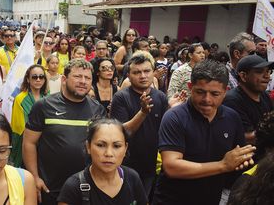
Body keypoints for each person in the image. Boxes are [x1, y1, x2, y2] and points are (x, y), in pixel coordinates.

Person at [153, 60, 256, 205]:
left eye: (215, 94)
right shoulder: (175, 117)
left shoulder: (232, 118)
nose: (207, 99)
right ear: (190, 87)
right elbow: (172, 167)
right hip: (172, 200)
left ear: (225, 92)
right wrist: (223, 165)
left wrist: (242, 160)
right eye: (200, 92)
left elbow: (238, 154)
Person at [23, 59, 107, 205]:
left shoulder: (98, 109)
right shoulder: (43, 106)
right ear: (64, 79)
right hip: (51, 188)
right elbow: (29, 143)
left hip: (86, 187)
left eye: (87, 78)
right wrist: (35, 177)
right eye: (77, 76)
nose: (83, 81)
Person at [110, 54, 170, 196]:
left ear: (153, 72)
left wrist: (173, 110)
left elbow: (163, 131)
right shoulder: (121, 97)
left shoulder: (160, 97)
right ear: (129, 76)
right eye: (137, 72)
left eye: (147, 71)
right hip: (125, 166)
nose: (143, 76)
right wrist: (143, 112)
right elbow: (121, 132)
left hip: (149, 166)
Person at [57, 118, 147, 205]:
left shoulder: (133, 178)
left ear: (125, 148)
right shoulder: (73, 188)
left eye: (116, 146)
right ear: (88, 146)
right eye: (100, 145)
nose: (109, 153)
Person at [223, 55, 274, 144]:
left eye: (268, 71)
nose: (267, 76)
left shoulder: (264, 96)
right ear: (243, 76)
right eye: (260, 71)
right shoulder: (232, 100)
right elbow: (245, 137)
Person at [10, 65, 48, 167]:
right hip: (26, 144)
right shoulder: (20, 99)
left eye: (41, 77)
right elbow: (19, 127)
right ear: (28, 79)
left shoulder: (49, 98)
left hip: (46, 145)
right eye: (34, 77)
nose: (38, 79)